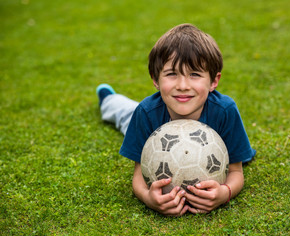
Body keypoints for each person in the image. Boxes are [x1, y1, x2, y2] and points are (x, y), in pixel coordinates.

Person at [96, 23, 256, 216]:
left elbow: (236, 172)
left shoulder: (225, 111)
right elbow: (139, 175)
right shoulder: (146, 113)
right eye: (172, 74)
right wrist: (148, 198)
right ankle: (109, 99)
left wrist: (224, 193)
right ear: (155, 79)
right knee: (125, 115)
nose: (182, 86)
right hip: (149, 115)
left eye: (194, 74)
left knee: (243, 155)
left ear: (214, 81)